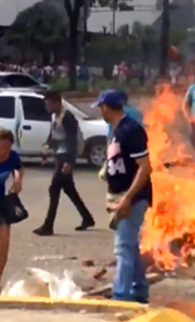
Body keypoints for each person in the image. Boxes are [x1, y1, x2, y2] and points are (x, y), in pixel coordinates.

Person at [96, 90, 153, 303]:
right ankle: (139, 290)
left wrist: (127, 198)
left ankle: (121, 296)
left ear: (108, 107)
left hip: (133, 197)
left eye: (101, 107)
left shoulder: (131, 130)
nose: (100, 111)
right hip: (120, 194)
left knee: (122, 247)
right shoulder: (117, 130)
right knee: (130, 245)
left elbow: (145, 167)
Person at [33, 91, 95, 237]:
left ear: (57, 103)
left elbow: (72, 140)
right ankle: (87, 218)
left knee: (54, 189)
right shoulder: (55, 116)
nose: (47, 107)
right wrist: (47, 146)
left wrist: (70, 162)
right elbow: (54, 135)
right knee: (69, 190)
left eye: (49, 104)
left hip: (65, 158)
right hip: (59, 155)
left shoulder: (68, 117)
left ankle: (48, 226)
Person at [0, 129, 24, 295]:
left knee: (5, 242)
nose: (2, 153)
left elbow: (19, 168)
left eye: (6, 150)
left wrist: (18, 180)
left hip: (1, 202)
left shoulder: (12, 156)